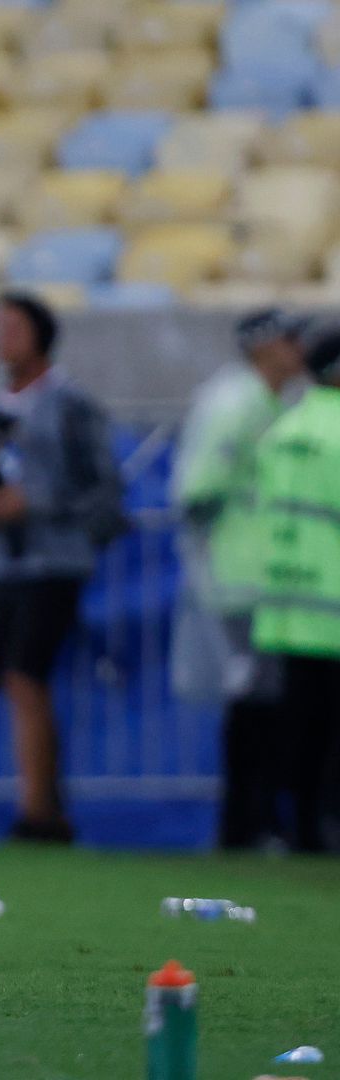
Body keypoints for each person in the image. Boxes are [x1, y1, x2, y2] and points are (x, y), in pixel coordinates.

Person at [0, 291, 124, 844]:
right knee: (15, 681)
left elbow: (107, 493)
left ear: (41, 334)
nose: (3, 337)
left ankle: (37, 810)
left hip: (52, 562)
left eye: (14, 326)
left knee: (25, 675)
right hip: (0, 564)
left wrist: (38, 504)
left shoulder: (72, 404)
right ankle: (44, 804)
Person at [171, 309, 306, 849]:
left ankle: (252, 821)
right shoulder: (240, 402)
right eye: (288, 338)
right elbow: (198, 490)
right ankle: (246, 824)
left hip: (258, 575)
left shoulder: (263, 400)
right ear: (263, 346)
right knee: (254, 698)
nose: (298, 349)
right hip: (242, 577)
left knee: (262, 697)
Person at [250, 323, 340, 854]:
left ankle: (299, 827)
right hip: (334, 606)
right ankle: (326, 828)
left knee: (300, 725)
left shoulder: (286, 428)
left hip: (287, 603)